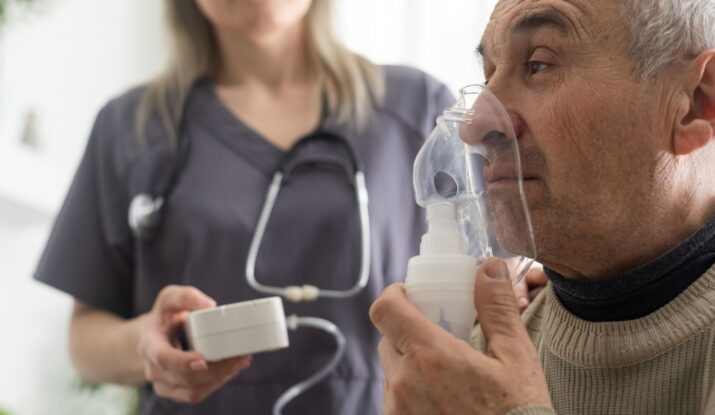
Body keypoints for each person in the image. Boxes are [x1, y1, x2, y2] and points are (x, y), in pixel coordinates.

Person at [34, 0, 454, 413]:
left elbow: (497, 289)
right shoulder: (133, 126)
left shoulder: (418, 108)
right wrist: (144, 345)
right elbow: (85, 339)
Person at [370, 0, 715, 413]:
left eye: (538, 65)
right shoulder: (479, 360)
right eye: (489, 74)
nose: (475, 125)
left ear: (694, 103)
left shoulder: (485, 391)